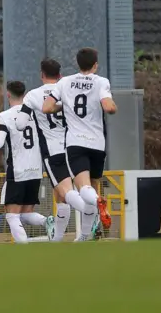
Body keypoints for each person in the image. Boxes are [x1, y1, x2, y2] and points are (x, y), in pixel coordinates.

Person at [16, 58, 97, 241]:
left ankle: (92, 211)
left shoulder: (33, 95)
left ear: (42, 75)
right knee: (61, 198)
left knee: (66, 192)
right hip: (75, 146)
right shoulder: (67, 89)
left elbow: (21, 125)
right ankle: (60, 239)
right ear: (60, 75)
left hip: (53, 151)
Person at [43, 47, 117, 241]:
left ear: (77, 63)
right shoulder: (101, 81)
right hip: (97, 144)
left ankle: (98, 202)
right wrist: (112, 106)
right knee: (92, 185)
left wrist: (64, 105)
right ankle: (84, 236)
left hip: (75, 143)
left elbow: (47, 107)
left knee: (83, 188)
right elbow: (109, 107)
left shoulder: (65, 82)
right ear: (95, 65)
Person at [0, 81, 55, 243]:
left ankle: (23, 249)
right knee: (25, 214)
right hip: (36, 170)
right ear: (25, 94)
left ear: (8, 94)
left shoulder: (5, 116)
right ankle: (47, 221)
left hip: (18, 171)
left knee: (12, 215)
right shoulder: (35, 114)